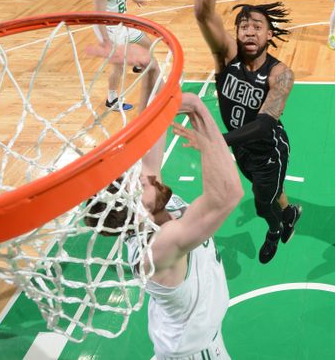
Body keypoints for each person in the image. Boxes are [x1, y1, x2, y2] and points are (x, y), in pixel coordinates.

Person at [87, 91, 243, 359]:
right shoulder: (158, 247)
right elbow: (228, 195)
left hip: (196, 341)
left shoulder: (151, 208)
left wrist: (149, 61)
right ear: (136, 210)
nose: (146, 177)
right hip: (192, 354)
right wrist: (198, 112)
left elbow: (152, 122)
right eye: (138, 184)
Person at [193, 0, 302, 264]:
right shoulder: (226, 57)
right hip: (239, 148)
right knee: (271, 191)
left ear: (270, 35)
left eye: (257, 26)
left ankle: (276, 227)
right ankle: (291, 211)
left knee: (261, 203)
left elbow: (267, 124)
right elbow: (203, 12)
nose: (249, 31)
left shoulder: (281, 73)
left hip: (268, 150)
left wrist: (218, 141)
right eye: (243, 25)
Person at [92, 0, 152, 111]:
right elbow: (98, 17)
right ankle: (111, 100)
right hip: (110, 29)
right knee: (118, 65)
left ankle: (138, 65)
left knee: (147, 43)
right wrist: (105, 41)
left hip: (122, 23)